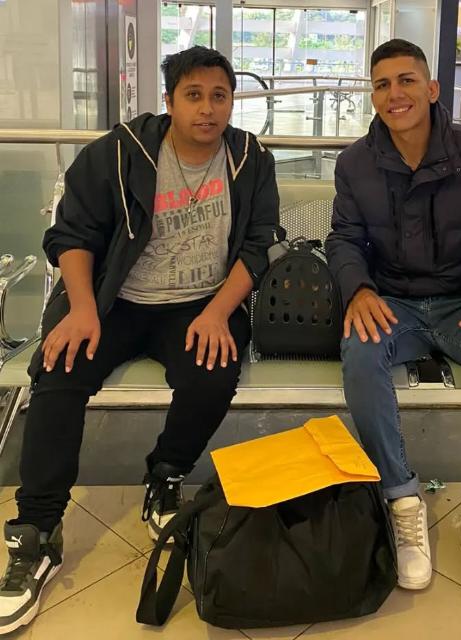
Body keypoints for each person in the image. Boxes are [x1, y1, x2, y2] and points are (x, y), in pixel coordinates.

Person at [0, 46, 278, 635]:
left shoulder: (250, 159)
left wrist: (219, 313)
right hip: (112, 300)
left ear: (232, 101)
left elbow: (259, 244)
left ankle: (166, 473)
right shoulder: (120, 153)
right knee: (59, 373)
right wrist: (81, 310)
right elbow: (72, 235)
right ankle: (38, 531)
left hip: (200, 304)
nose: (207, 109)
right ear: (170, 101)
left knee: (212, 372)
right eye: (193, 96)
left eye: (219, 96)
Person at [326, 39, 461, 613]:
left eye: (406, 80)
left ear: (432, 88)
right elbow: (344, 239)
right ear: (373, 96)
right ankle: (401, 499)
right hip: (392, 300)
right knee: (360, 351)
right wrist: (358, 288)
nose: (394, 94)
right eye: (382, 85)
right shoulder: (356, 164)